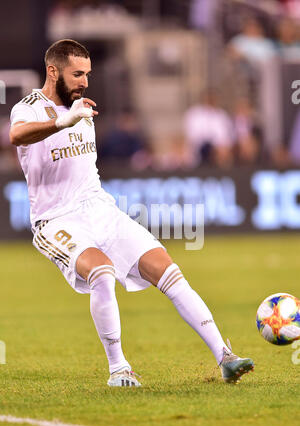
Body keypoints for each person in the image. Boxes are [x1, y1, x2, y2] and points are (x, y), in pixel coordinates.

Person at [9, 39, 254, 386]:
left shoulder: (83, 108)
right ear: (53, 71)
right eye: (77, 74)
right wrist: (64, 122)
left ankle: (225, 357)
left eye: (88, 74)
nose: (85, 82)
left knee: (167, 269)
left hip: (100, 209)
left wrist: (73, 116)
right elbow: (16, 136)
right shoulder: (29, 107)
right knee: (102, 272)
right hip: (56, 219)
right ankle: (118, 369)